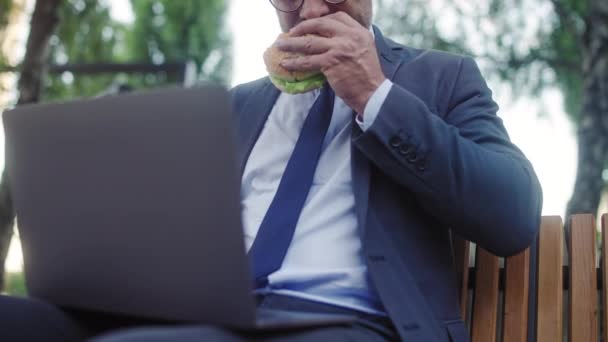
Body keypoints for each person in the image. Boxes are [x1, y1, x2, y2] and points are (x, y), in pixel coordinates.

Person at [0, 0, 542, 341]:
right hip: (207, 315)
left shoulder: (441, 79)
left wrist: (375, 96)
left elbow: (513, 214)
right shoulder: (237, 105)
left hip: (346, 323)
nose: (310, 11)